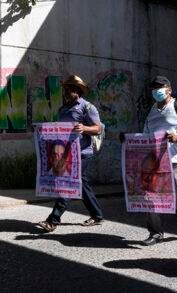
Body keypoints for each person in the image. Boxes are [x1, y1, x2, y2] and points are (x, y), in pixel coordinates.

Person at [122, 75, 177, 246]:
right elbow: (146, 136)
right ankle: (155, 233)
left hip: (175, 158)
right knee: (150, 196)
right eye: (154, 88)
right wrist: (129, 141)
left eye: (160, 87)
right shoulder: (152, 111)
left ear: (169, 89)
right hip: (154, 159)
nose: (156, 91)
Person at [37, 75, 104, 232]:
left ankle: (53, 220)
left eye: (69, 90)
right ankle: (97, 215)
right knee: (82, 184)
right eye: (65, 90)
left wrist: (84, 128)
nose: (65, 92)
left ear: (78, 91)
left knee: (68, 184)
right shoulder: (63, 109)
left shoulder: (87, 108)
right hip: (66, 153)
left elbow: (98, 128)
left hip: (82, 152)